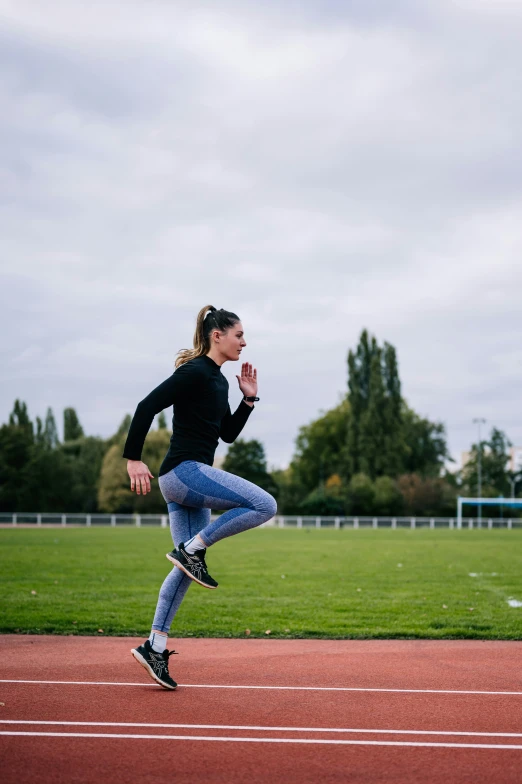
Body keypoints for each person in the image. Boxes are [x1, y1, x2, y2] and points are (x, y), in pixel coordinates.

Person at [122, 305, 277, 690]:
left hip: (188, 484)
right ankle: (195, 547)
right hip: (183, 473)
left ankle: (154, 646)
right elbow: (147, 406)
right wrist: (133, 460)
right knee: (264, 504)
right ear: (217, 335)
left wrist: (248, 401)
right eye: (239, 335)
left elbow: (225, 434)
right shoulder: (193, 372)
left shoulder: (219, 381)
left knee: (186, 571)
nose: (244, 342)